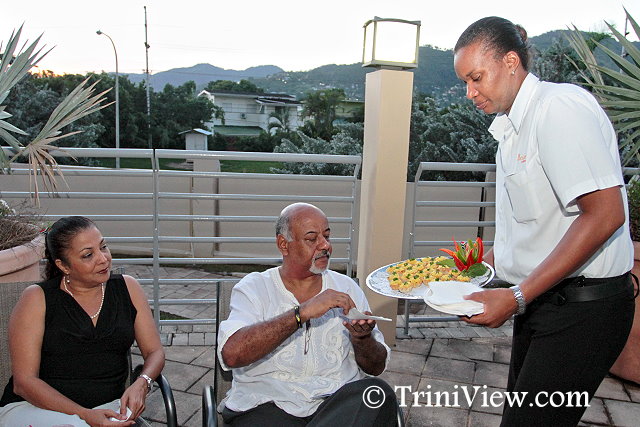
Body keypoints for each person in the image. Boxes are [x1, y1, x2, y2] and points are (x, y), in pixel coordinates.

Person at [453, 16, 636, 426]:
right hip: (543, 300)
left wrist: (516, 296)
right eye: (465, 82)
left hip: (584, 310)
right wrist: (468, 275)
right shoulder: (510, 129)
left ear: (511, 61)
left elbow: (605, 215)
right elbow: (535, 226)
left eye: (476, 77)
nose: (470, 92)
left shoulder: (558, 108)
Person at [217, 202, 398, 426]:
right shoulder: (254, 288)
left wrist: (362, 338)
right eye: (312, 239)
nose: (325, 245)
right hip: (267, 404)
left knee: (377, 393)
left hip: (335, 404)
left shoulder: (347, 288)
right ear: (284, 245)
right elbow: (231, 355)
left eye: (327, 236)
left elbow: (376, 367)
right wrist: (301, 313)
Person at [0, 216, 165, 426]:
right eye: (88, 255)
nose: (103, 258)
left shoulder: (128, 288)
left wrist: (143, 382)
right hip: (36, 409)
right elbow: (24, 383)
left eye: (103, 247)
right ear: (63, 266)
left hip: (108, 409)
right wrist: (84, 415)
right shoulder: (37, 298)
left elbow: (155, 352)